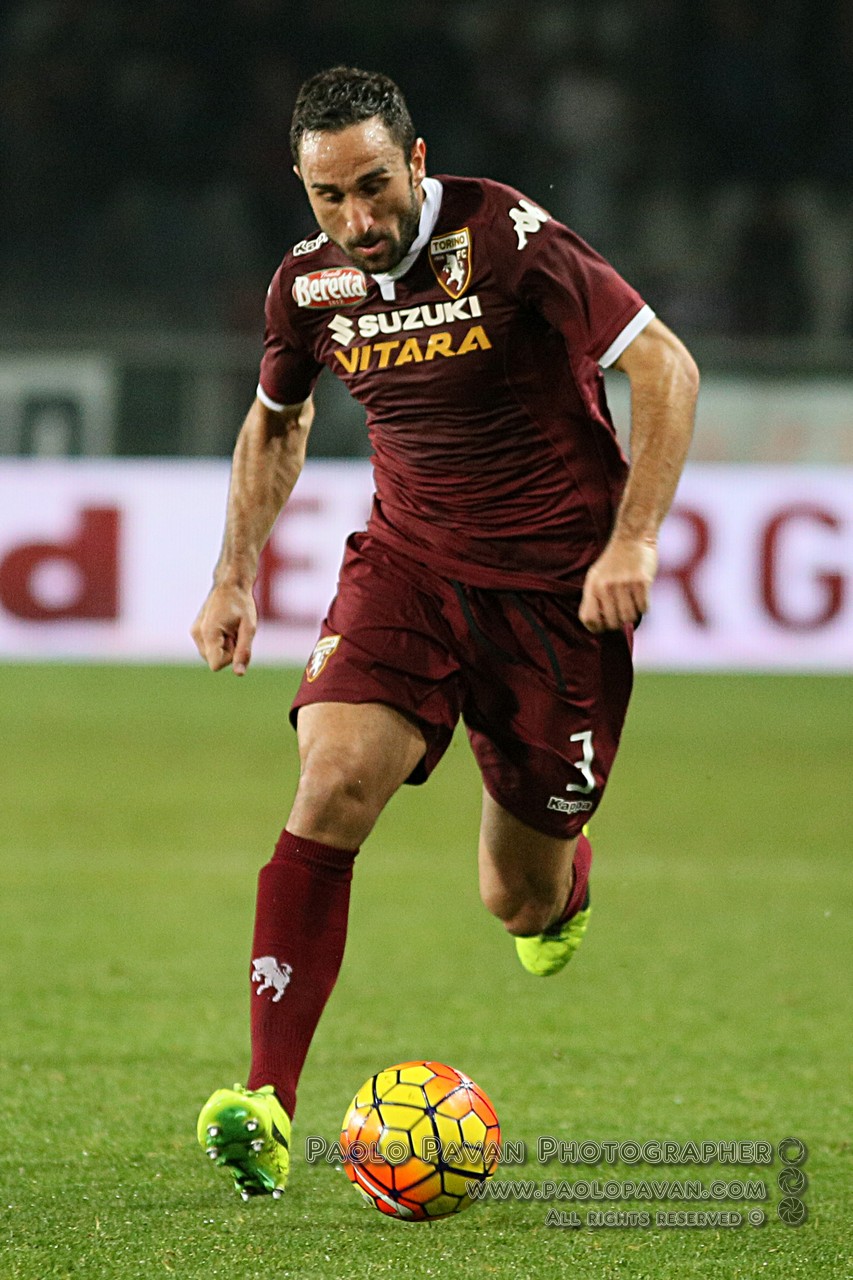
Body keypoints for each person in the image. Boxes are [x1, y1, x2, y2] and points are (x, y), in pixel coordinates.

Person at [191, 66, 699, 1201]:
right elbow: (277, 422)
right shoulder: (307, 285)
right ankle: (265, 1103)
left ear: (416, 162)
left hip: (555, 598)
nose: (356, 220)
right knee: (329, 784)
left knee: (517, 897)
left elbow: (664, 365)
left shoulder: (509, 239)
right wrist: (232, 574)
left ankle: (562, 887)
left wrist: (633, 539)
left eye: (374, 186)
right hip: (408, 570)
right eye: (329, 196)